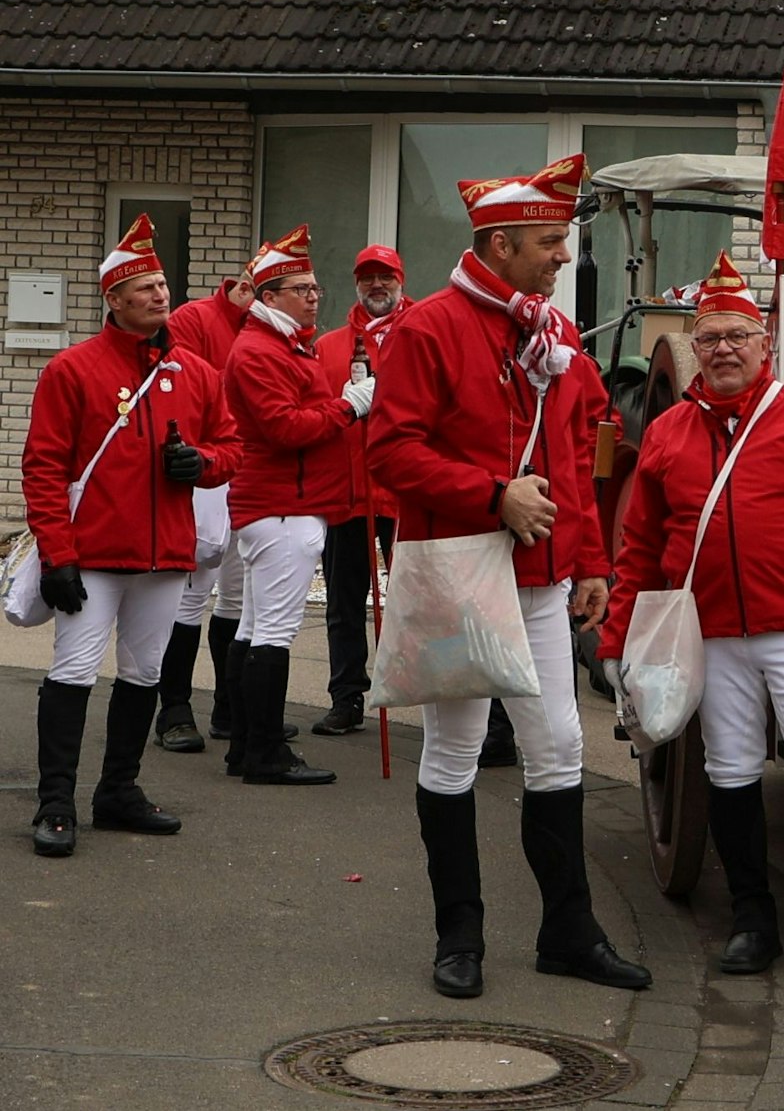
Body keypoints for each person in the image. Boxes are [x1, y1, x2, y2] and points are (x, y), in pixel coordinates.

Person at [369, 153, 650, 1000]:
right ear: (500, 245)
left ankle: (569, 930)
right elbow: (389, 451)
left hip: (542, 577)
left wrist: (591, 559)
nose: (563, 256)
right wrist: (492, 493)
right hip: (460, 573)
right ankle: (459, 934)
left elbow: (577, 450)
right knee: (455, 746)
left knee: (558, 743)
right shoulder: (428, 329)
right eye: (549, 242)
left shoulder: (554, 332)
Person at [597, 251, 784, 988]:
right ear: (694, 348)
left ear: (765, 344)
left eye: (737, 335)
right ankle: (753, 920)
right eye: (710, 337)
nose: (724, 349)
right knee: (728, 772)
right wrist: (616, 638)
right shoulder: (668, 432)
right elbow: (640, 548)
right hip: (712, 631)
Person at [20, 214, 241, 857]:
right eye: (144, 286)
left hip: (165, 557)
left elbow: (232, 448)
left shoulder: (197, 373)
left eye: (162, 284)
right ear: (113, 299)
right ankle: (55, 802)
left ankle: (118, 791)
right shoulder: (71, 369)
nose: (159, 294)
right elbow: (43, 468)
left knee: (144, 673)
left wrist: (202, 463)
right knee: (73, 672)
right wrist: (57, 555)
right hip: (91, 556)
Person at [221, 224, 368, 786]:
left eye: (314, 287)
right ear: (269, 296)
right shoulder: (261, 350)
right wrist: (349, 407)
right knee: (273, 633)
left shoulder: (280, 344)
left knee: (254, 628)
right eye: (300, 288)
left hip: (285, 503)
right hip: (283, 504)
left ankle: (245, 745)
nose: (313, 297)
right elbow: (286, 428)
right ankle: (265, 753)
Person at [153, 247, 262, 755]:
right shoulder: (194, 319)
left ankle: (229, 707)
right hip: (207, 475)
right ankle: (174, 708)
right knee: (191, 594)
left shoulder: (282, 333)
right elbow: (178, 392)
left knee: (239, 597)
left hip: (254, 477)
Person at [310, 245, 409, 734]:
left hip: (407, 493)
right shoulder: (328, 346)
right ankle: (346, 696)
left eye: (385, 277)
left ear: (400, 280)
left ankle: (437, 699)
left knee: (421, 601)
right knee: (344, 604)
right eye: (368, 277)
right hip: (348, 492)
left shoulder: (421, 333)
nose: (377, 285)